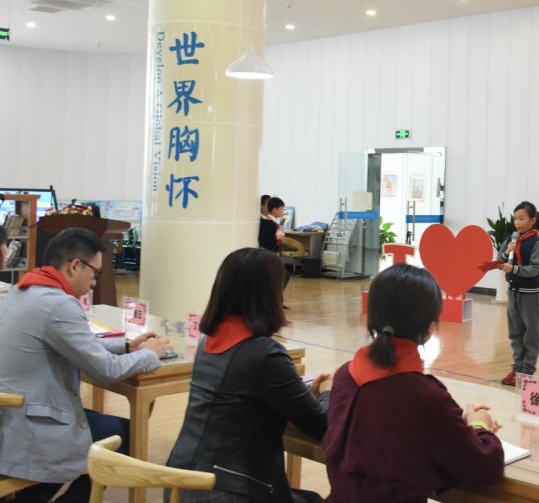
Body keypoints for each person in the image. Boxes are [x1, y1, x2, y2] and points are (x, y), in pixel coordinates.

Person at [0, 227, 170, 502]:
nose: (94, 283)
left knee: (106, 427)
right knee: (126, 433)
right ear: (74, 266)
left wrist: (128, 347)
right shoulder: (59, 304)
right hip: (32, 426)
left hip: (12, 418)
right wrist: (149, 354)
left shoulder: (24, 291)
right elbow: (106, 370)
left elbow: (72, 344)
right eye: (95, 273)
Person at [323, 264, 504, 502]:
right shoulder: (423, 395)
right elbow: (484, 466)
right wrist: (479, 424)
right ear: (430, 327)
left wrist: (452, 421)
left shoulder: (345, 375)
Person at [166, 247, 331, 503]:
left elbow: (246, 399)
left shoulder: (208, 340)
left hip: (181, 482)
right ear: (269, 295)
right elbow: (322, 426)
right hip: (226, 491)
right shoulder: (265, 354)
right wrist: (328, 393)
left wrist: (302, 394)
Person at [497, 201, 539, 386]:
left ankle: (527, 372)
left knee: (530, 334)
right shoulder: (511, 239)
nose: (517, 222)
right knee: (515, 333)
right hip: (513, 291)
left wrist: (513, 269)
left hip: (530, 294)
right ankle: (516, 369)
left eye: (522, 219)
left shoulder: (536, 242)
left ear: (532, 220)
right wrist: (505, 254)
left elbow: (533, 269)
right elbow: (499, 262)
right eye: (515, 219)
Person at [259, 196, 290, 308]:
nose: (283, 211)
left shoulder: (271, 221)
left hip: (271, 253)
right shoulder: (266, 223)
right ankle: (274, 301)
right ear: (275, 210)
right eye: (281, 209)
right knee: (283, 275)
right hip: (266, 254)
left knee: (282, 276)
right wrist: (277, 238)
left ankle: (276, 300)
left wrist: (276, 251)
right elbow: (263, 239)